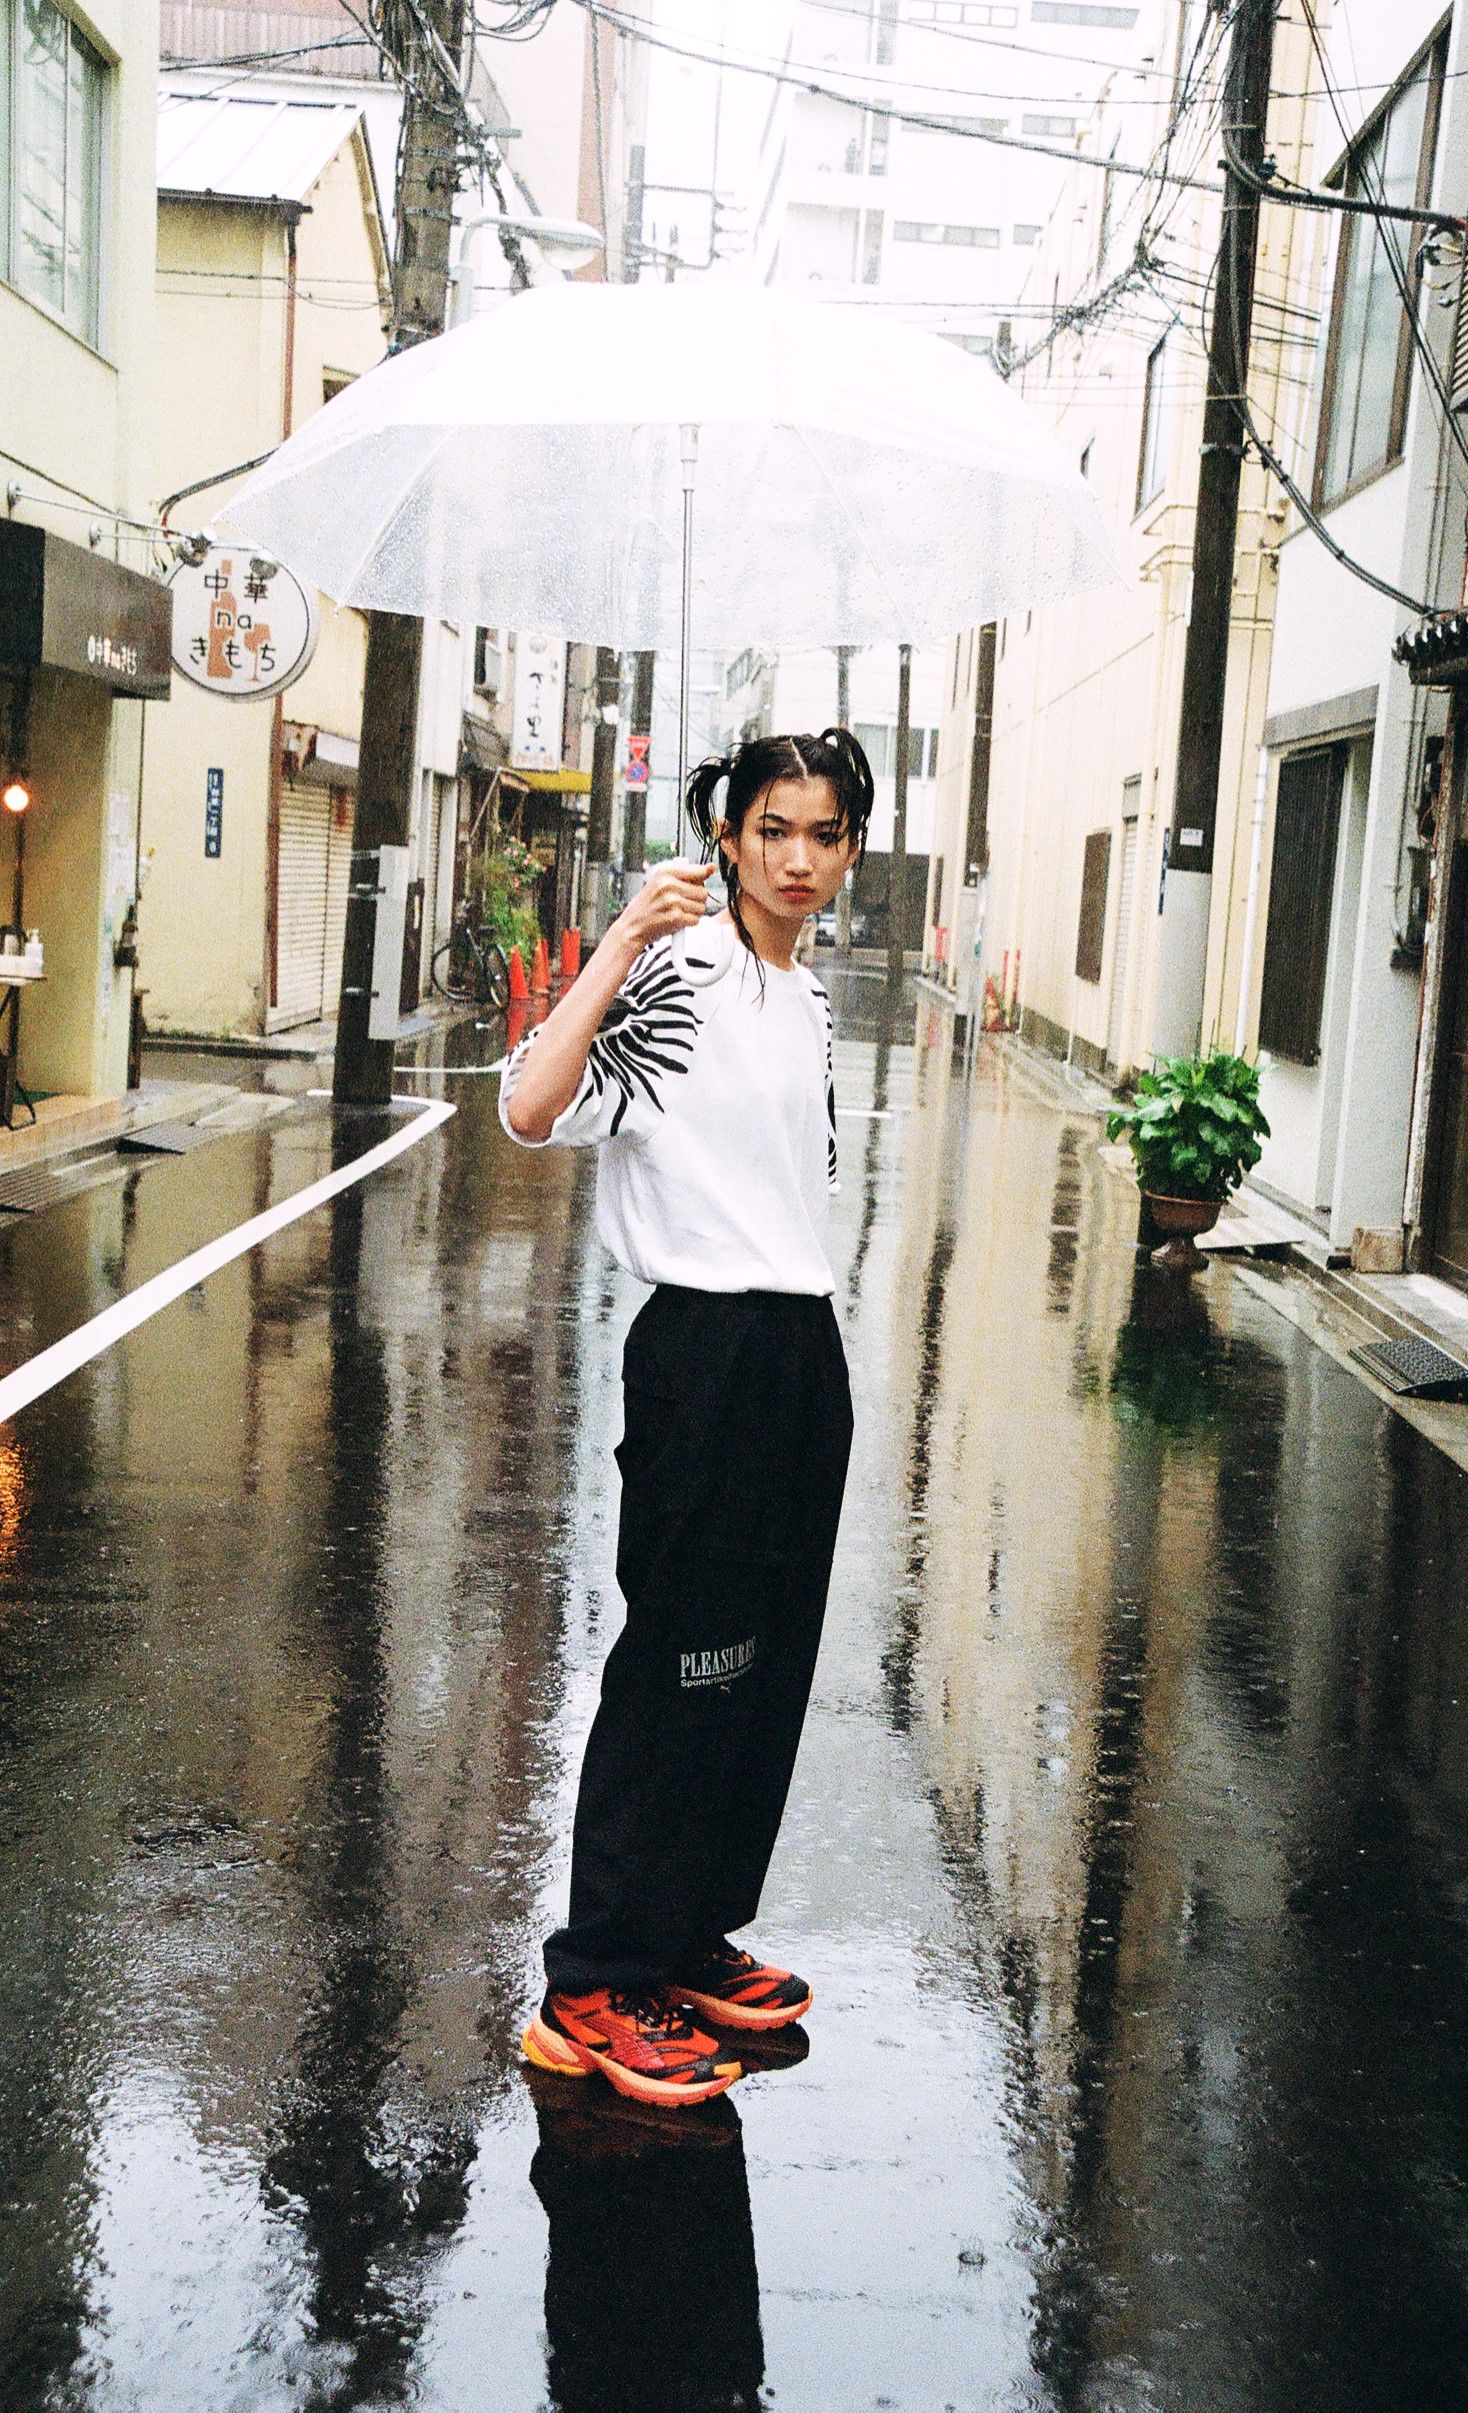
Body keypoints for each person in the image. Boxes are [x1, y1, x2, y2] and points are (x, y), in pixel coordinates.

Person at [500, 729, 873, 2107]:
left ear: (849, 850)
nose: (797, 858)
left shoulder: (809, 997)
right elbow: (530, 1107)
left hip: (798, 1348)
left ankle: (688, 1932)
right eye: (772, 829)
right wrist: (620, 942)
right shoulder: (680, 974)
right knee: (681, 1662)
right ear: (728, 837)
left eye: (823, 833)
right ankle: (595, 1981)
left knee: (762, 1664)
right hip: (703, 1348)